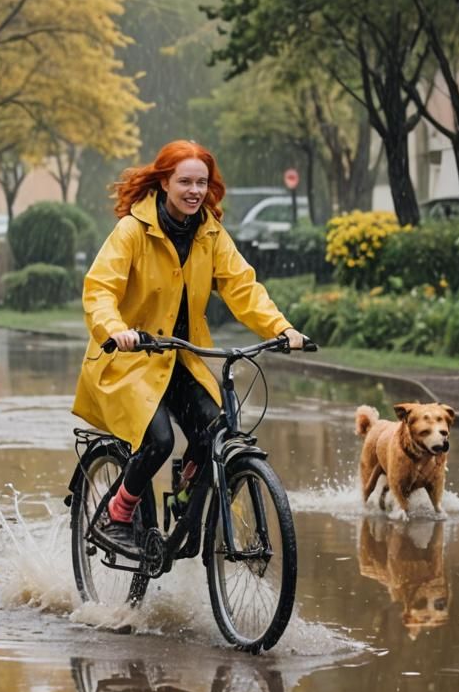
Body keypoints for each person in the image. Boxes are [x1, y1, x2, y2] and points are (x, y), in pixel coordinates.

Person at [72, 140, 304, 555]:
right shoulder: (133, 231)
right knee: (158, 440)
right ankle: (117, 514)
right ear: (164, 182)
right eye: (185, 181)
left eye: (202, 182)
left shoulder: (210, 234)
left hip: (181, 358)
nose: (195, 190)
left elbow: (243, 288)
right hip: (129, 359)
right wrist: (115, 329)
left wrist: (281, 328)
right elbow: (100, 289)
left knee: (217, 429)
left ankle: (185, 499)